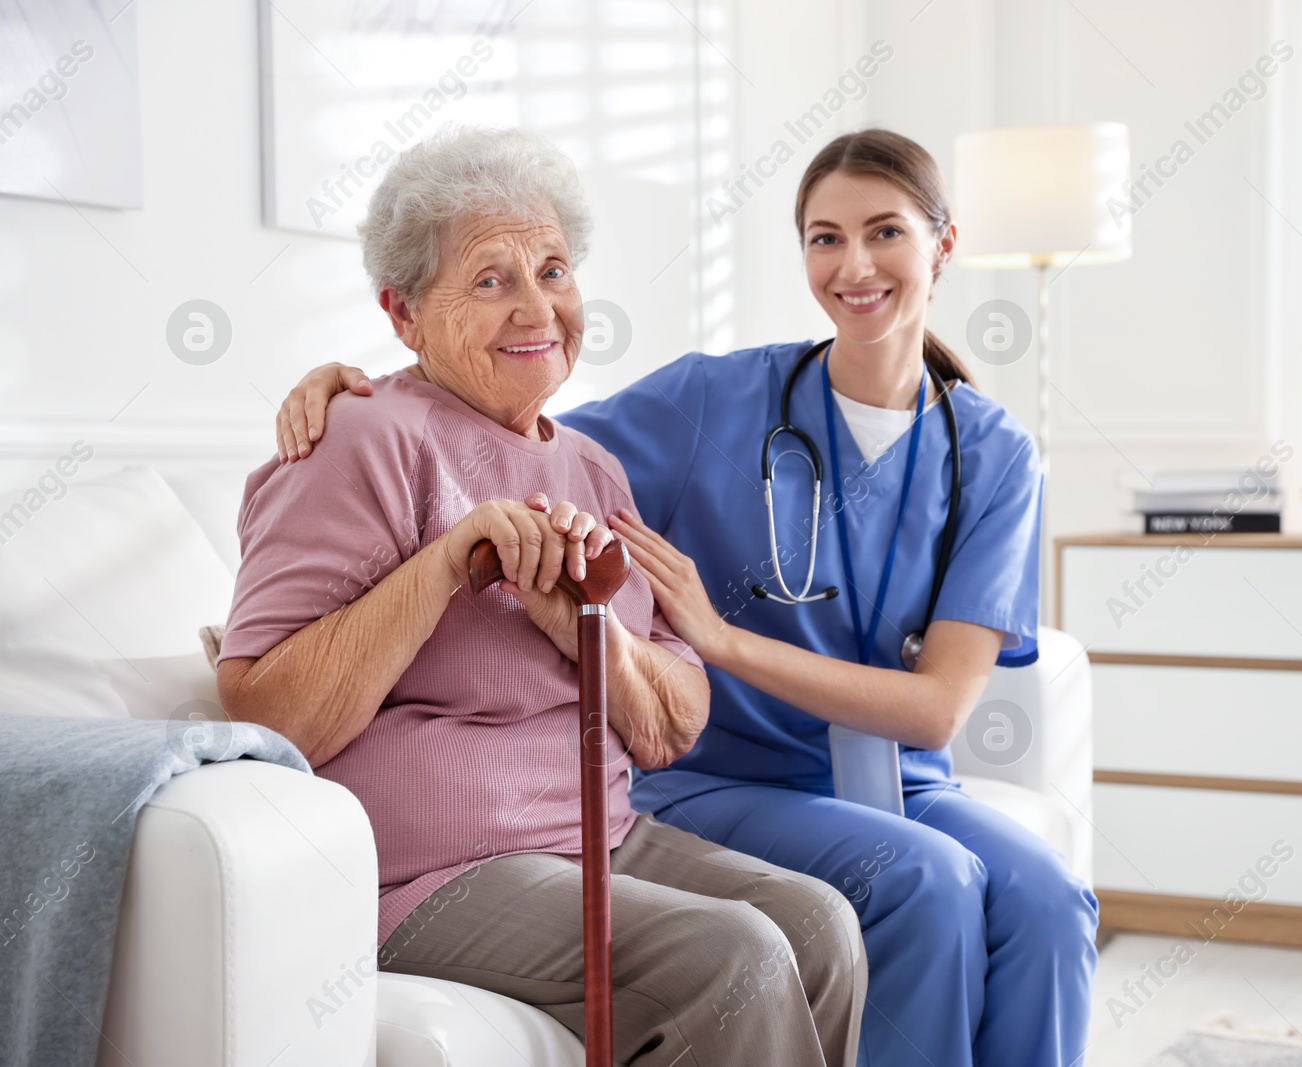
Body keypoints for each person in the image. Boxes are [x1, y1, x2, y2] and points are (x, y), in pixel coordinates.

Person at [272, 127, 1097, 1067]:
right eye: (825, 237)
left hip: (896, 776)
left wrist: (717, 637)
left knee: (1050, 899)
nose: (854, 263)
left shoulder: (993, 452)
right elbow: (505, 422)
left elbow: (940, 707)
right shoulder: (716, 400)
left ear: (943, 246)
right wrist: (352, 387)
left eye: (886, 232)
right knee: (931, 884)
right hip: (732, 774)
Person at [217, 125, 865, 1067]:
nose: (536, 308)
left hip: (597, 835)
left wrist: (582, 628)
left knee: (821, 924)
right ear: (404, 315)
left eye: (553, 270)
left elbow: (671, 723)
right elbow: (268, 712)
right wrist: (442, 564)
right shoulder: (362, 439)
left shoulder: (593, 469)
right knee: (738, 955)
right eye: (490, 280)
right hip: (428, 873)